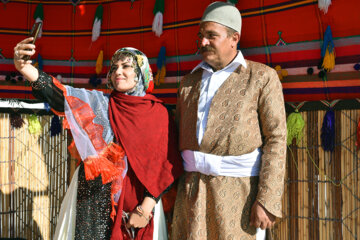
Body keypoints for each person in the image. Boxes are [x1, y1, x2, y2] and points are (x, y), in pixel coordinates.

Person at [13, 38, 183, 240]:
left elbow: (165, 167)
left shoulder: (159, 114)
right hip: (93, 200)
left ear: (141, 73)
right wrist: (23, 67)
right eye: (114, 68)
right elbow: (59, 93)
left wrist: (145, 209)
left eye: (126, 66)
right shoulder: (98, 103)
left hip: (140, 207)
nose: (118, 71)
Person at [171, 2, 287, 240]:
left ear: (234, 38)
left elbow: (276, 139)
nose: (203, 42)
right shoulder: (188, 83)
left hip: (240, 194)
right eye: (201, 36)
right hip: (191, 193)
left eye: (211, 36)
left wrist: (267, 200)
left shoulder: (262, 77)